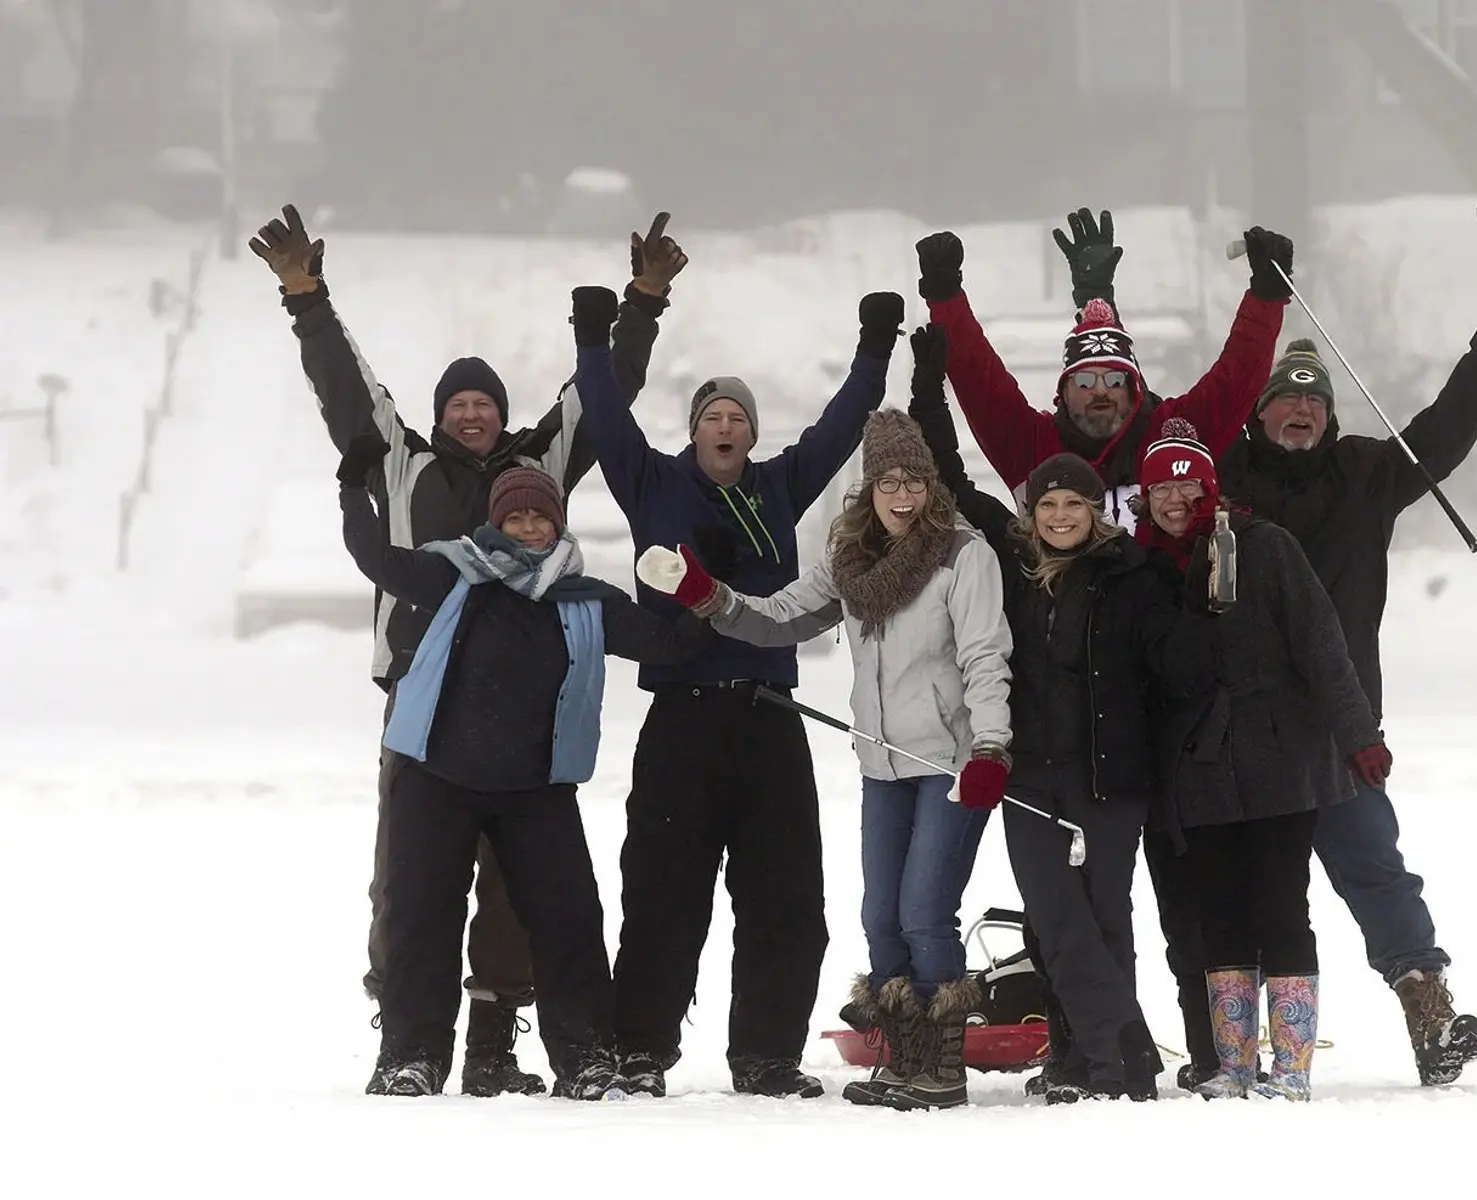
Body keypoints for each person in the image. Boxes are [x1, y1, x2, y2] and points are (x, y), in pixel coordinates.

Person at [248, 205, 686, 1096]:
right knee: (408, 887)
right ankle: (409, 1034)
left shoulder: (541, 471)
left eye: (486, 402)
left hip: (526, 724)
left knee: (525, 893)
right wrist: (306, 296)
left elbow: (599, 395)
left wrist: (641, 301)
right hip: (421, 707)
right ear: (442, 417)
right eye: (460, 403)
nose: (474, 413)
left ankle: (493, 1036)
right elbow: (346, 387)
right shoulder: (401, 465)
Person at [573, 281, 903, 1098]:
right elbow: (606, 417)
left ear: (753, 435)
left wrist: (876, 344)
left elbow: (840, 426)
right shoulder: (652, 484)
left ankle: (765, 1055)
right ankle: (642, 1048)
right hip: (681, 719)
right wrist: (590, 338)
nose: (727, 427)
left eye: (739, 419)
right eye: (714, 417)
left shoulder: (779, 486)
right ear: (694, 431)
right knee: (662, 893)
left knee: (787, 899)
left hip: (768, 716)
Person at [634, 402, 1012, 1111]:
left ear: (932, 487)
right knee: (879, 918)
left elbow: (987, 658)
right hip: (882, 764)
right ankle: (904, 1060)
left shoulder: (966, 556)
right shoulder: (852, 565)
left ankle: (942, 1070)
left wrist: (990, 746)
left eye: (913, 481)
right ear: (869, 490)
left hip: (951, 764)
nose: (902, 495)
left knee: (925, 912)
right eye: (887, 482)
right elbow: (776, 618)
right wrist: (705, 595)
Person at [1213, 281, 1477, 1085]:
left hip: (1338, 727)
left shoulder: (1366, 475)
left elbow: (1443, 434)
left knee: (1376, 870)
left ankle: (1428, 1009)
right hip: (1241, 733)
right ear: (1259, 416)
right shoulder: (1217, 480)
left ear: (1330, 416)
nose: (1302, 412)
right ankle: (1227, 1045)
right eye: (1286, 402)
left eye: (1314, 404)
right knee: (1245, 897)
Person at [336, 447, 711, 1098]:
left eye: (543, 516)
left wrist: (701, 591)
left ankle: (586, 1057)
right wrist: (352, 492)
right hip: (437, 776)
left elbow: (667, 643)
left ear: (559, 525)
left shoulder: (586, 600)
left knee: (569, 919)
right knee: (421, 919)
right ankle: (409, 1057)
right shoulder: (453, 574)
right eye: (518, 517)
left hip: (535, 786)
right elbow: (378, 560)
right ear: (496, 522)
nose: (531, 527)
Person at [909, 325, 1211, 1104]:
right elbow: (947, 473)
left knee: (1105, 915)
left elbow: (1178, 666)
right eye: (1050, 502)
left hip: (1113, 776)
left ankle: (1089, 1064)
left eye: (1077, 502)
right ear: (1032, 510)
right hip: (1030, 772)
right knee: (1052, 918)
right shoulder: (1008, 563)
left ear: (1097, 510)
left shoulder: (1134, 574)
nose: (1063, 515)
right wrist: (928, 389)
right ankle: (1127, 1051)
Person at [1132, 418, 1387, 1102]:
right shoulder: (1145, 569)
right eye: (1162, 490)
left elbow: (1322, 644)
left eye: (1188, 486)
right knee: (1219, 917)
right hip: (1197, 774)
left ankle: (1292, 1068)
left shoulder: (1266, 546)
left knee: (1281, 910)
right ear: (1146, 498)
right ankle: (1234, 1065)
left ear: (1209, 488)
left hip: (1283, 761)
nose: (1175, 501)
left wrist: (1359, 734)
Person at [911, 212, 1294, 526]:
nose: (1100, 391)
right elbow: (982, 383)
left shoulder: (1171, 433)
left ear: (1133, 388)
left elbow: (1236, 378)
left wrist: (1266, 296)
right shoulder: (1031, 447)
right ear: (1063, 392)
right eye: (1085, 380)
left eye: (1114, 379)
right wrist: (945, 297)